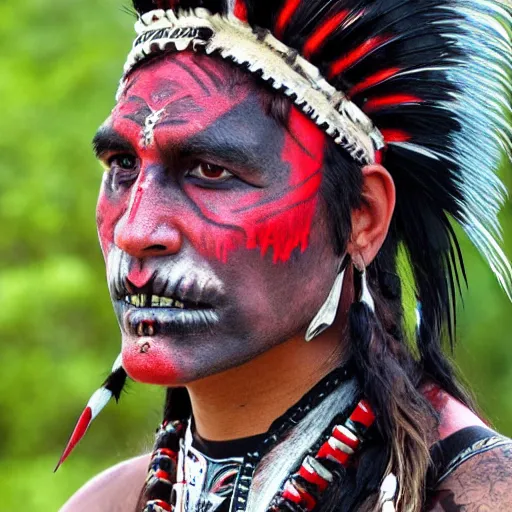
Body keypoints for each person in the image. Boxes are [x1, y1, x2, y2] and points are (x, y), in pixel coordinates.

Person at [58, 0, 512, 510]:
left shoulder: (480, 496)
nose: (135, 232)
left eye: (209, 171)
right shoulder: (103, 503)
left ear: (361, 218)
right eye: (121, 163)